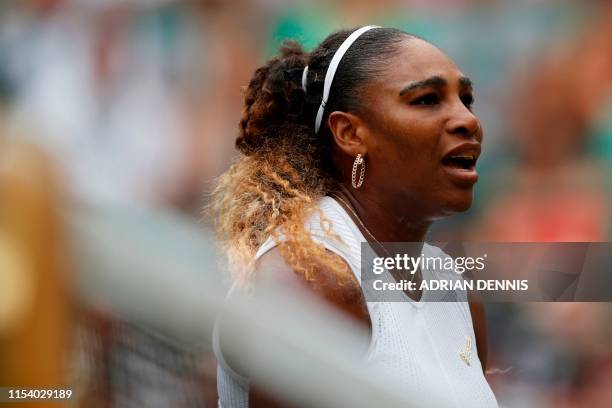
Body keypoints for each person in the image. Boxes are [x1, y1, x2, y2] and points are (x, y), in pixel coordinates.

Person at [211, 26, 498, 407]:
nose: (467, 121)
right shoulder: (311, 280)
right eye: (427, 99)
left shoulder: (455, 288)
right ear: (349, 133)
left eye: (466, 99)